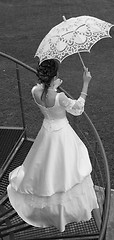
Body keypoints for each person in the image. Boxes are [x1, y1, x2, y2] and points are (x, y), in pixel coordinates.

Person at [7, 59, 99, 232]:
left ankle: (50, 204)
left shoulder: (34, 91)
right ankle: (64, 212)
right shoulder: (60, 97)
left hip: (47, 132)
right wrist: (85, 83)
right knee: (66, 169)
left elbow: (44, 95)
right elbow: (78, 109)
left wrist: (53, 86)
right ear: (55, 76)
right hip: (62, 134)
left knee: (46, 166)